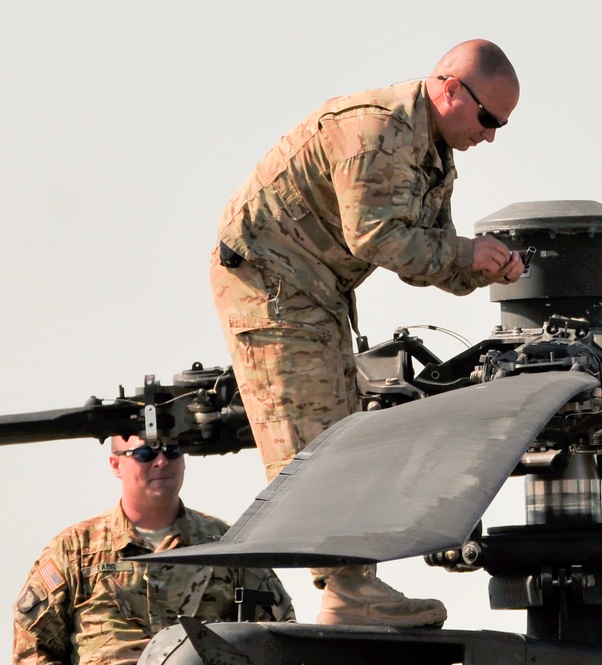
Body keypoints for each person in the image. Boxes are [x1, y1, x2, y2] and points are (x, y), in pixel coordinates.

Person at [209, 39, 521, 629]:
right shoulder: (378, 131)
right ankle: (346, 591)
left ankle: (353, 586)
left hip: (315, 289)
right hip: (271, 282)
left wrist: (482, 268)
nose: (491, 136)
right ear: (450, 88)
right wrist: (465, 253)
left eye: (500, 125)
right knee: (312, 435)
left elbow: (426, 255)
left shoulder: (432, 151)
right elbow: (376, 239)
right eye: (488, 119)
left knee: (343, 431)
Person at [12, 435, 295, 664]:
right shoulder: (75, 550)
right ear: (115, 465)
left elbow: (280, 637)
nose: (161, 462)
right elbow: (32, 650)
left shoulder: (226, 545)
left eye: (172, 451)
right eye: (145, 454)